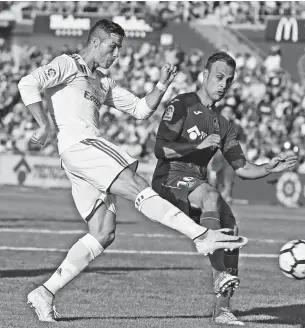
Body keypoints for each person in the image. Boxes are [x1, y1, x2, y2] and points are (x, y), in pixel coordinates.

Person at [17, 20, 248, 322]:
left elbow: (140, 109)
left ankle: (44, 292)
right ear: (96, 42)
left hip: (76, 158)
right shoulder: (68, 65)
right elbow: (27, 83)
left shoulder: (103, 82)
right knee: (136, 183)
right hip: (82, 144)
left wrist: (162, 85)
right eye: (112, 47)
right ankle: (201, 235)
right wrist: (44, 124)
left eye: (120, 50)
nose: (116, 55)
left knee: (103, 232)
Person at [152, 51, 298, 325]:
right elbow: (160, 148)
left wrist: (269, 167)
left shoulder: (224, 125)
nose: (223, 85)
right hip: (168, 179)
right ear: (205, 76)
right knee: (211, 195)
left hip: (195, 183)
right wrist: (197, 146)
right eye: (219, 77)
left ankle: (222, 310)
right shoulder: (182, 104)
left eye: (228, 81)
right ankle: (220, 274)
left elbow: (242, 167)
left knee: (231, 228)